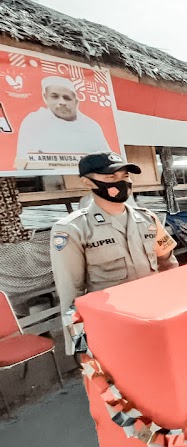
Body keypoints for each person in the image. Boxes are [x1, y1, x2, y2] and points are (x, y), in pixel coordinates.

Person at [51, 152, 178, 355]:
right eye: (111, 177)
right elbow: (70, 294)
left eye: (125, 176)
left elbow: (169, 265)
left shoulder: (148, 220)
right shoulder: (72, 229)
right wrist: (80, 347)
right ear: (87, 182)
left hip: (154, 315)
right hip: (114, 326)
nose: (122, 182)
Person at [15, 76, 109, 169]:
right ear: (46, 98)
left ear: (76, 102)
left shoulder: (91, 126)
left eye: (67, 98)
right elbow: (21, 164)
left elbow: (108, 160)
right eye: (55, 97)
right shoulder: (34, 121)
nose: (62, 102)